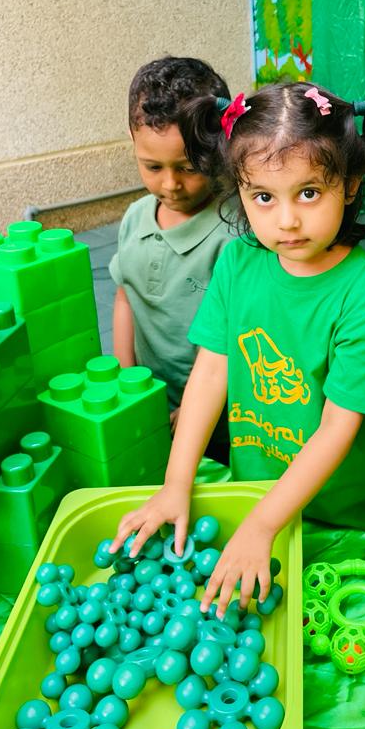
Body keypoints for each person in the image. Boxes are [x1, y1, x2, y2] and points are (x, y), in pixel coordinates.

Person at [110, 82, 365, 615]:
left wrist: (264, 525)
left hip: (335, 514)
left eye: (307, 193)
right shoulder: (238, 261)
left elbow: (338, 427)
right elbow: (210, 373)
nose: (286, 220)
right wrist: (176, 484)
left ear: (350, 184)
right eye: (263, 197)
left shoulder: (363, 295)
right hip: (254, 493)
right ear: (239, 191)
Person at [109, 56, 233, 463]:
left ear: (219, 147)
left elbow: (242, 337)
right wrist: (128, 379)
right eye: (152, 166)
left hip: (223, 416)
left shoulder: (234, 236)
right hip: (153, 406)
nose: (170, 183)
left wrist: (196, 409)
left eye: (188, 167)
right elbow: (126, 297)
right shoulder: (134, 219)